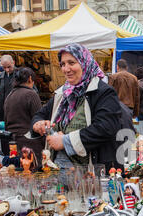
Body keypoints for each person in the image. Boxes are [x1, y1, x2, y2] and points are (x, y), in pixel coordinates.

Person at [31, 43, 122, 172]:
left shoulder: (103, 92)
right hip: (59, 172)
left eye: (71, 63)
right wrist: (38, 123)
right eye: (62, 64)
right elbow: (40, 114)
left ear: (85, 62)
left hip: (90, 175)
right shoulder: (63, 93)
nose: (66, 69)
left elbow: (105, 128)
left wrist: (65, 141)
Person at [4, 67, 44, 161]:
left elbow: (6, 119)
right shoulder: (31, 94)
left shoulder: (10, 95)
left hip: (13, 142)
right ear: (30, 79)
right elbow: (38, 120)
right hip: (30, 143)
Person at [0, 55, 16, 122]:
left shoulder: (21, 75)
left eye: (9, 67)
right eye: (4, 67)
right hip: (2, 113)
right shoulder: (0, 77)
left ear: (13, 62)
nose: (7, 70)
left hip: (17, 113)